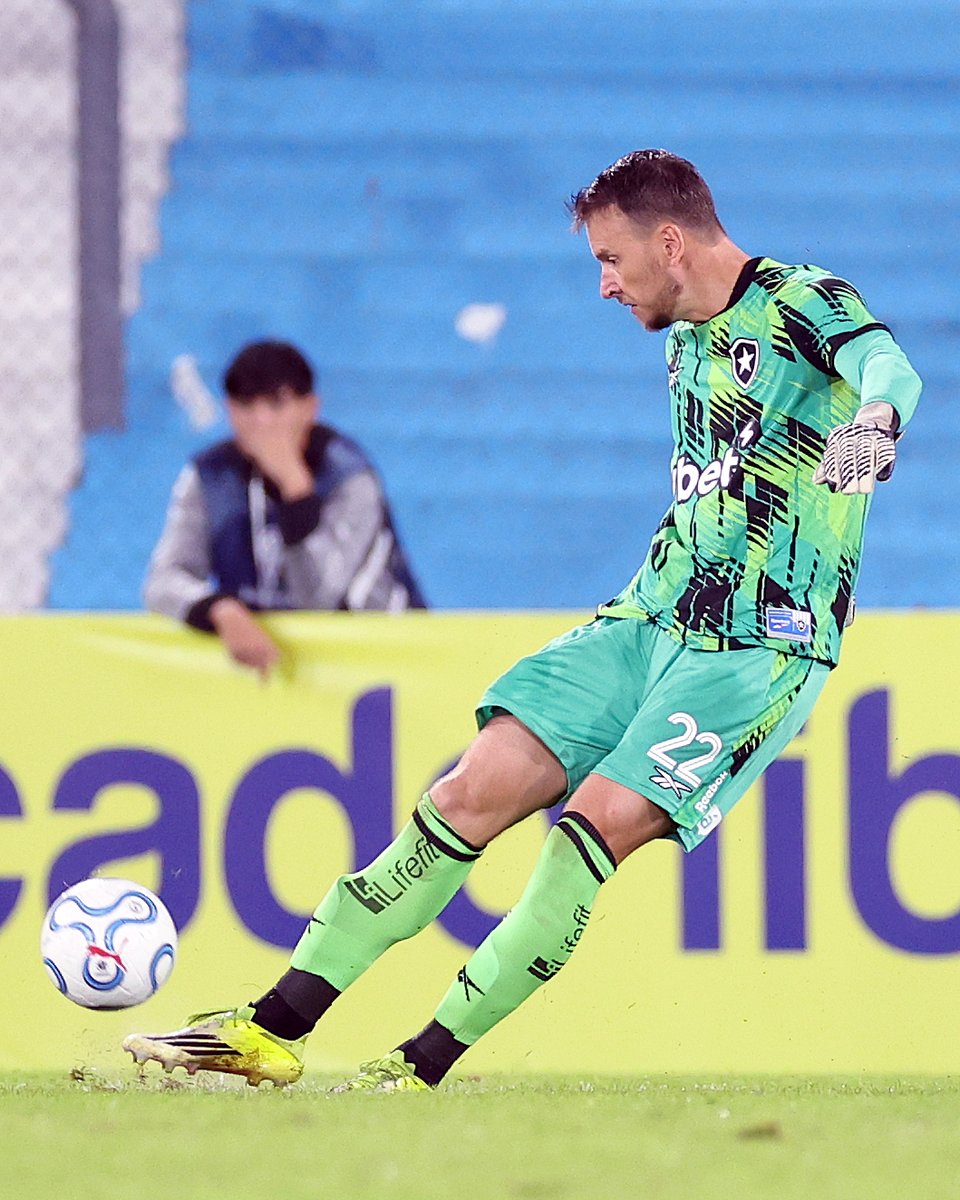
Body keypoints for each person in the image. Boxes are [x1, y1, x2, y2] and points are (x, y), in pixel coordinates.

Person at [124, 150, 921, 1090]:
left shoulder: (801, 300)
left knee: (586, 830)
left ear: (670, 243)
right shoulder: (682, 338)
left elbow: (889, 367)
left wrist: (873, 426)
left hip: (759, 645)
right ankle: (267, 1031)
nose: (604, 284)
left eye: (611, 259)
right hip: (648, 618)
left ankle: (413, 1069)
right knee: (468, 790)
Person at [143, 340, 425, 677]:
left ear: (310, 407)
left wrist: (295, 490)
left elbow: (319, 601)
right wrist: (220, 609)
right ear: (229, 410)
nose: (261, 420)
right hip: (272, 669)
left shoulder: (350, 477)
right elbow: (162, 581)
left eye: (277, 404)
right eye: (246, 405)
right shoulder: (209, 476)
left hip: (379, 663)